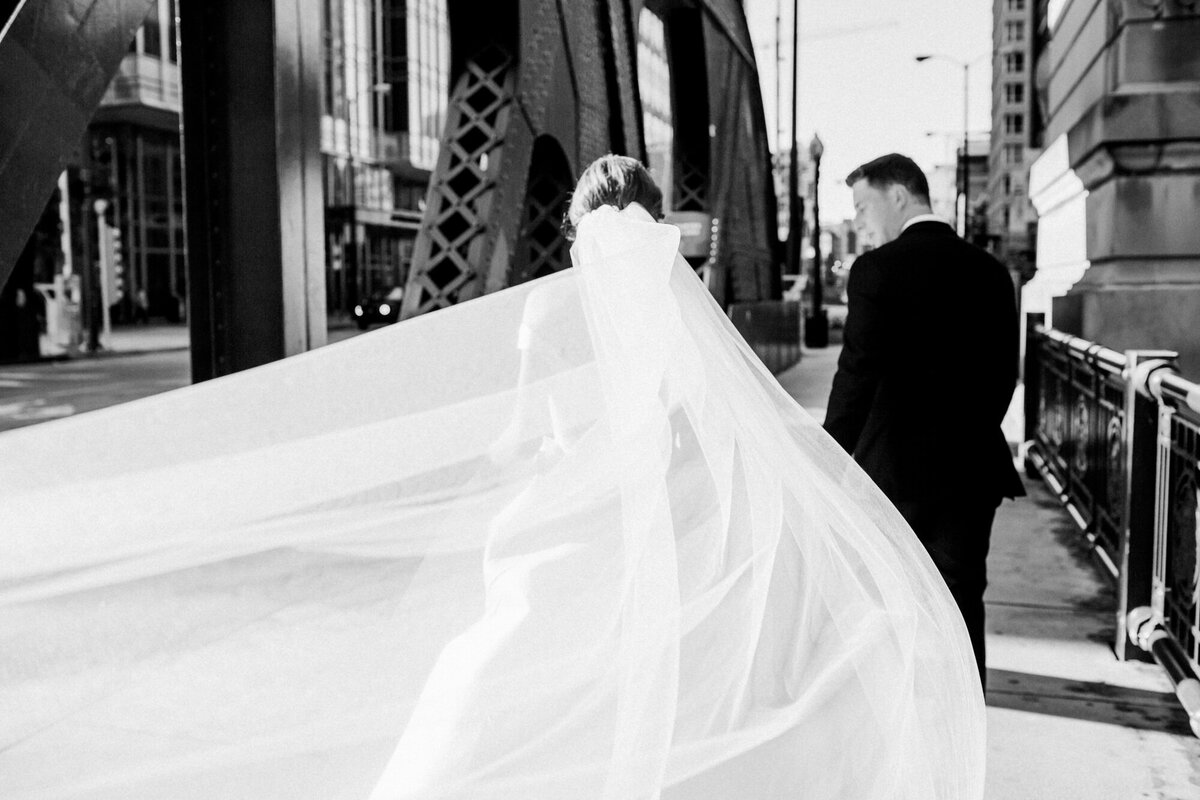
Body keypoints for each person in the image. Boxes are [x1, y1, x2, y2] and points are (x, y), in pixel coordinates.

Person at [0, 155, 984, 800]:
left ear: (578, 232)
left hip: (561, 543)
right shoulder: (684, 326)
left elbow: (520, 436)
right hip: (648, 551)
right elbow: (720, 444)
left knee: (484, 707)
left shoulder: (549, 319)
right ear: (652, 232)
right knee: (628, 712)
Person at [824, 152, 1026, 690]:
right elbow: (1005, 373)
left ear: (899, 195)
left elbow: (856, 377)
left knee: (891, 598)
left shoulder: (878, 270)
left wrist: (828, 457)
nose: (864, 222)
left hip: (893, 474)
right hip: (970, 470)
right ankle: (966, 712)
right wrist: (969, 431)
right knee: (962, 596)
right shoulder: (990, 271)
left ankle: (906, 714)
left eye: (865, 206)